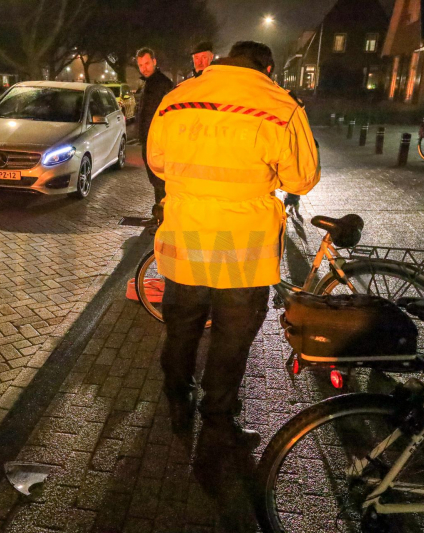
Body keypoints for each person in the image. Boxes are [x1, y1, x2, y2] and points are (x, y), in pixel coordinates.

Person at [147, 41, 320, 449]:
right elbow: (302, 180)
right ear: (269, 67)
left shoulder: (176, 100)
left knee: (181, 328)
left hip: (187, 238)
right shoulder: (281, 107)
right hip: (243, 247)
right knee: (231, 336)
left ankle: (177, 400)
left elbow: (157, 163)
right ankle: (218, 418)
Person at [135, 47, 173, 225]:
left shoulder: (163, 84)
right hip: (147, 140)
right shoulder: (146, 83)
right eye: (141, 65)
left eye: (147, 63)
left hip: (158, 141)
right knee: (155, 179)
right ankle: (160, 214)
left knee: (160, 179)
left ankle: (164, 216)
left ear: (155, 62)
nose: (144, 68)